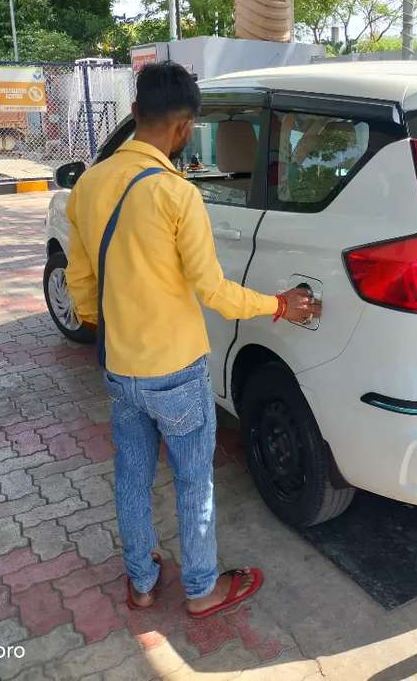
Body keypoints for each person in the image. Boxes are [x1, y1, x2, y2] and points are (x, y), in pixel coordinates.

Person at [64, 62, 317, 618]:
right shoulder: (177, 195)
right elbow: (214, 292)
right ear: (185, 129)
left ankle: (142, 581)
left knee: (131, 476)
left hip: (120, 368)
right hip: (176, 371)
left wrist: (110, 326)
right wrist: (278, 305)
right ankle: (201, 589)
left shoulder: (89, 185)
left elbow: (80, 283)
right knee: (193, 480)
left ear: (135, 113)